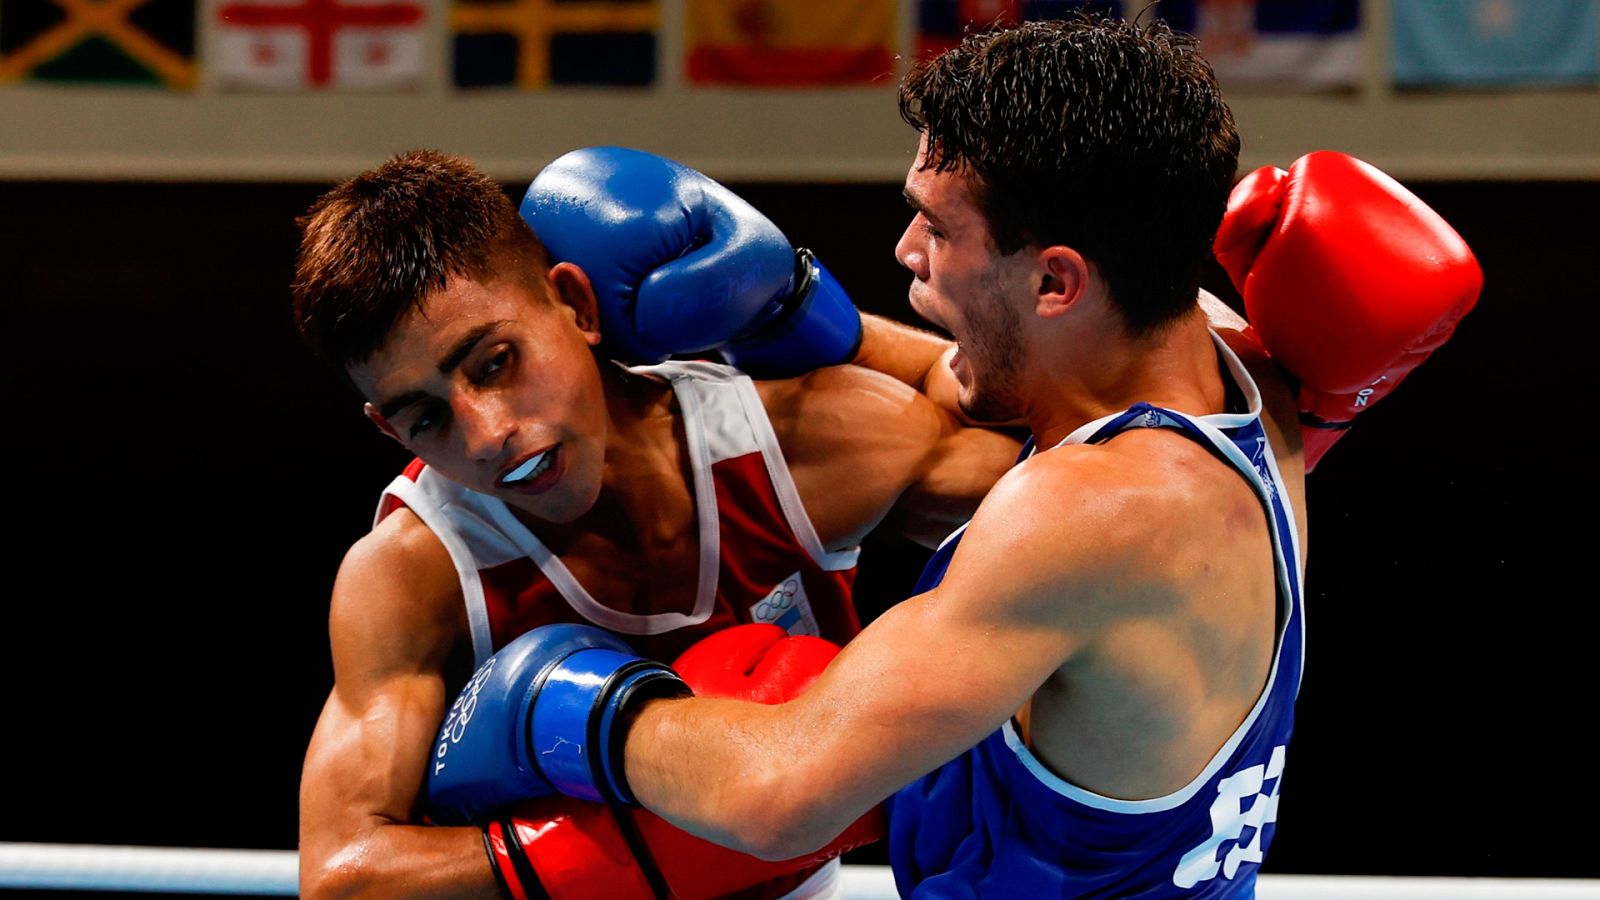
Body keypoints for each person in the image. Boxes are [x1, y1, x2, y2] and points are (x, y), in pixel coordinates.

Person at [423, 13, 1481, 897]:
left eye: (936, 228)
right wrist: (790, 313)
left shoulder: (1088, 515)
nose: (906, 255)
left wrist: (566, 701)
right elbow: (1005, 375)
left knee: (759, 703)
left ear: (1057, 281)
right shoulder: (1233, 364)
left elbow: (780, 792)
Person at [290, 150, 1022, 899]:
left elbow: (1082, 472)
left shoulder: (795, 446)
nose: (485, 434)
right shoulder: (416, 570)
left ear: (574, 304)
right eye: (426, 416)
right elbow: (344, 877)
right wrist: (635, 850)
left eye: (494, 363)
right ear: (388, 430)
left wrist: (803, 315)